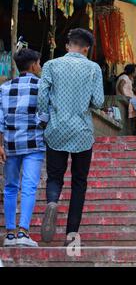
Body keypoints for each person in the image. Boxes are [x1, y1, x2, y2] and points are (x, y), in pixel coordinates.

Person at [38, 28, 104, 245]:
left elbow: (42, 97)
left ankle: (52, 202)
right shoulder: (93, 68)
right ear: (87, 48)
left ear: (67, 45)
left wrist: (45, 119)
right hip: (82, 132)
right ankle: (71, 234)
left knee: (55, 177)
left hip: (56, 129)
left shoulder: (50, 65)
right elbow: (98, 102)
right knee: (79, 182)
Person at [0, 49, 46, 247]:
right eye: (39, 63)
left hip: (10, 145)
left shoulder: (4, 88)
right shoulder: (42, 86)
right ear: (34, 64)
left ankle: (9, 234)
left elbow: (0, 119)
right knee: (28, 187)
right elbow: (45, 116)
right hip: (34, 143)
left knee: (10, 187)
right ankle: (23, 232)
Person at [116, 64, 136, 130]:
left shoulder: (127, 78)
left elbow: (126, 88)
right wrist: (124, 96)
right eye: (135, 71)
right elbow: (120, 86)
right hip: (127, 97)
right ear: (132, 71)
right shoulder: (125, 77)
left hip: (130, 97)